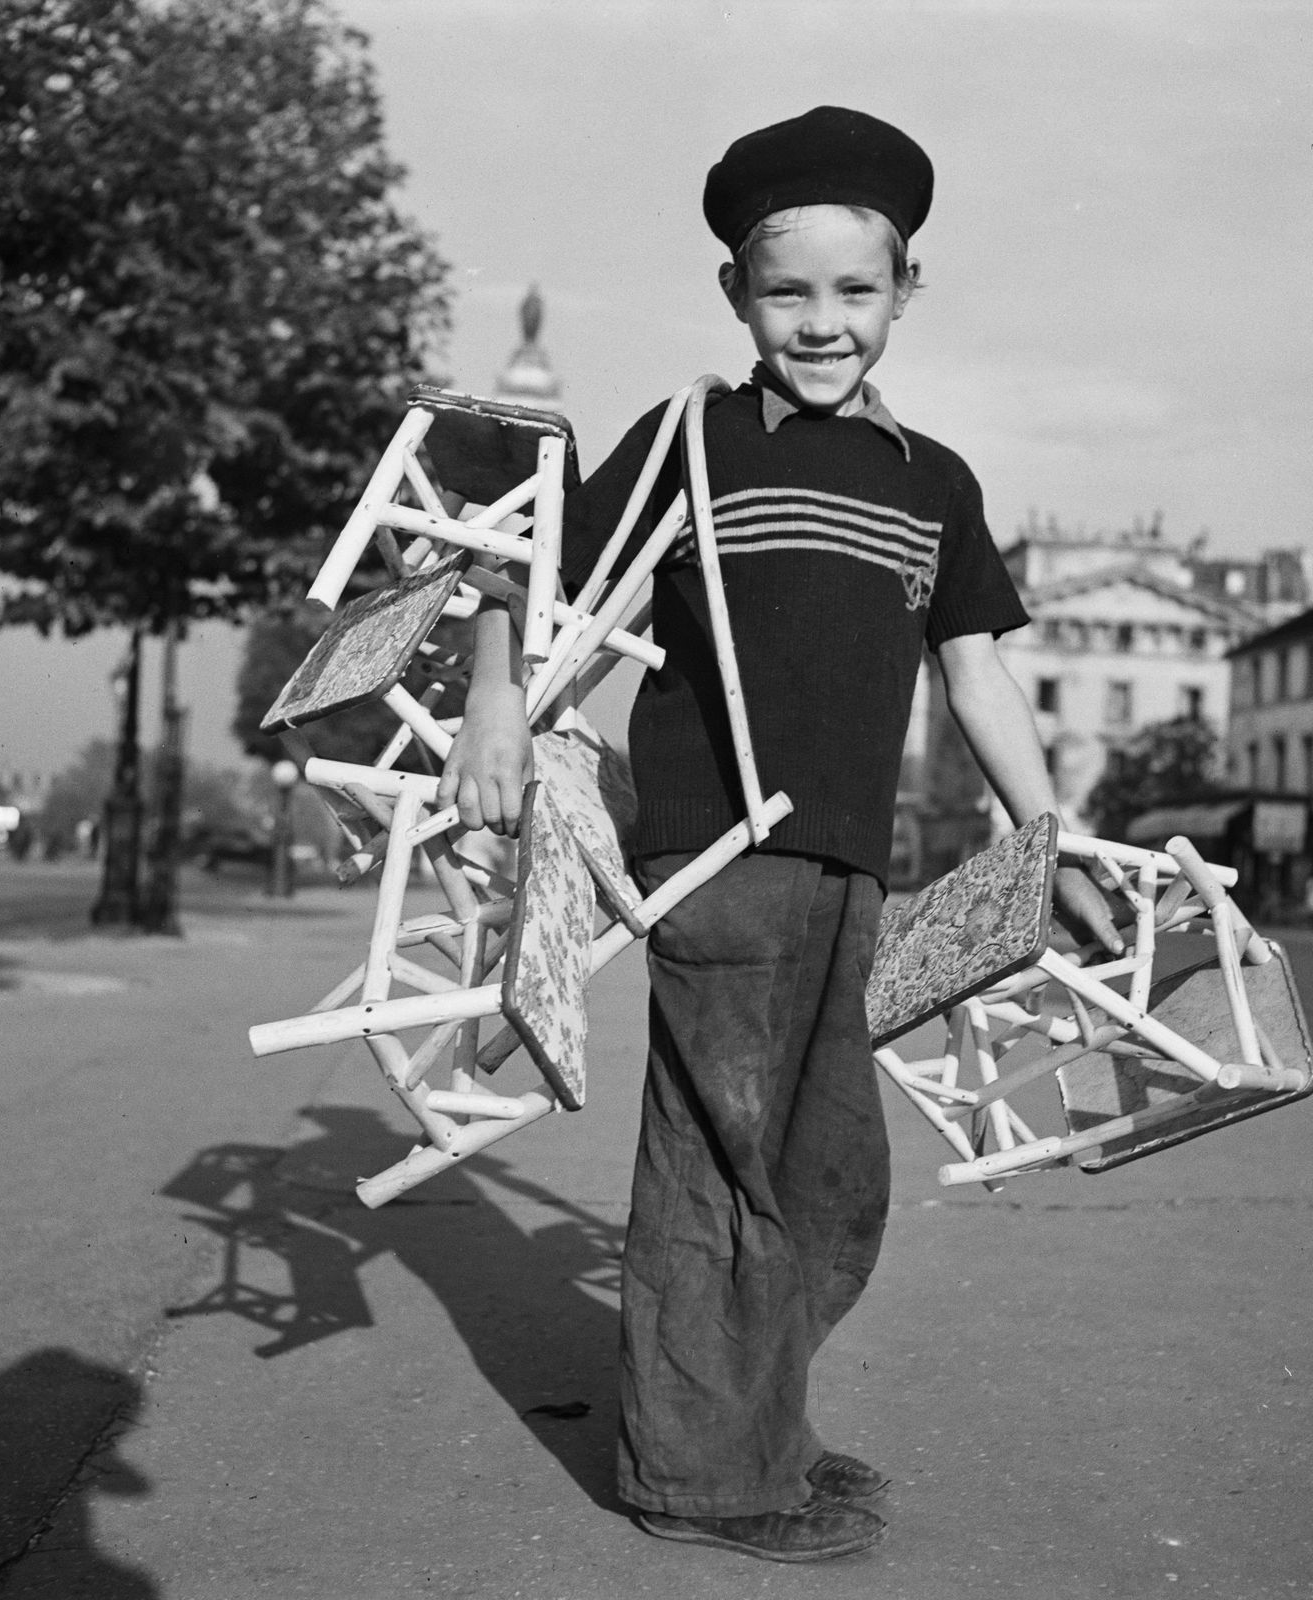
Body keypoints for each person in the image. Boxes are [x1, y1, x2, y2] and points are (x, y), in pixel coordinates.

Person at [438, 105, 1121, 1564]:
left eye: (855, 292)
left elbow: (978, 669)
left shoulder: (933, 481)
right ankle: (705, 1479)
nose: (823, 323)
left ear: (904, 294)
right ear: (737, 299)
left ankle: (743, 1426)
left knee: (826, 1184)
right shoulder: (689, 440)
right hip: (715, 860)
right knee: (720, 1172)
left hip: (852, 871)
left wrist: (1049, 837)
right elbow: (533, 577)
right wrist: (498, 713)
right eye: (788, 292)